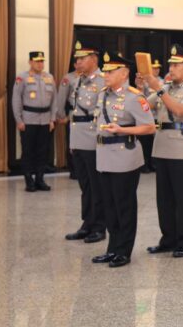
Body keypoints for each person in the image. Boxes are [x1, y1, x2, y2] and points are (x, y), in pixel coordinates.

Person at [91, 52, 156, 268]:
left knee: (124, 205)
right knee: (108, 206)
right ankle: (112, 248)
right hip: (104, 157)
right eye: (105, 70)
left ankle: (124, 250)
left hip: (124, 157)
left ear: (124, 73)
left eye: (110, 71)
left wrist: (122, 129)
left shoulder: (134, 97)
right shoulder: (103, 95)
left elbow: (149, 127)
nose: (105, 74)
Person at [142, 44, 183, 258]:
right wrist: (139, 87)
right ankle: (168, 239)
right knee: (164, 199)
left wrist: (158, 89)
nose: (171, 68)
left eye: (176, 65)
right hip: (162, 147)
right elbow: (145, 106)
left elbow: (179, 111)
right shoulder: (167, 88)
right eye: (171, 64)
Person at [61, 41, 107, 244]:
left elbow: (105, 114)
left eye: (82, 58)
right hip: (78, 138)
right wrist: (72, 141)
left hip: (92, 139)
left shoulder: (103, 81)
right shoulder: (78, 81)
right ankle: (87, 223)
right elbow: (75, 113)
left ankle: (99, 227)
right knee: (85, 186)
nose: (77, 62)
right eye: (77, 59)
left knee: (97, 186)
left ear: (94, 59)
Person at [12, 51, 57, 192]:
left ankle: (40, 179)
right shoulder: (22, 78)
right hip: (28, 119)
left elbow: (54, 100)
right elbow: (16, 100)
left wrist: (52, 119)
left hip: (45, 120)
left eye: (42, 61)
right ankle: (28, 180)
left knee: (43, 152)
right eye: (37, 61)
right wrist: (19, 120)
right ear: (30, 62)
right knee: (28, 151)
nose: (40, 64)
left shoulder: (49, 77)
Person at [136, 60, 162, 173]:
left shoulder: (162, 81)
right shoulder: (145, 81)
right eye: (154, 68)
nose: (156, 70)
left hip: (158, 116)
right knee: (145, 142)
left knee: (156, 143)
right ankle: (145, 164)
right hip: (147, 115)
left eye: (158, 68)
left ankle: (154, 163)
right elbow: (141, 99)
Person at [56, 60, 79, 179]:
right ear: (75, 65)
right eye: (78, 62)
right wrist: (62, 115)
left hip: (89, 117)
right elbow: (61, 97)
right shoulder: (68, 78)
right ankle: (74, 170)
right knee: (72, 144)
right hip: (72, 113)